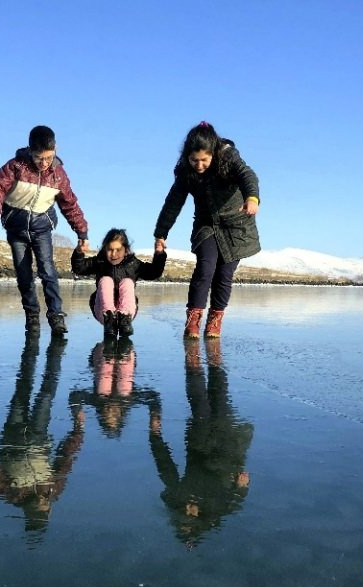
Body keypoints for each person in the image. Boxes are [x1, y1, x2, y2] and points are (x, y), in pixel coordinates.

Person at [153, 121, 261, 339]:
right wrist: (161, 233)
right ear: (187, 156)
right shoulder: (185, 171)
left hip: (236, 225)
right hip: (206, 224)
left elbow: (248, 176)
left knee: (224, 275)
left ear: (213, 153)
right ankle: (193, 320)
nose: (199, 165)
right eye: (194, 160)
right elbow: (173, 202)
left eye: (204, 160)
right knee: (205, 268)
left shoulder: (229, 157)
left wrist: (252, 198)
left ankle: (215, 321)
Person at [0, 125, 89, 336]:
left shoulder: (59, 175)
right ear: (30, 151)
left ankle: (56, 316)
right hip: (16, 228)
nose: (44, 163)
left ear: (55, 148)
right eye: (39, 158)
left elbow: (70, 204)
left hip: (42, 228)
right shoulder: (15, 167)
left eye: (49, 157)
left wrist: (82, 232)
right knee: (24, 274)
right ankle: (32, 315)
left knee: (48, 270)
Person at [0, 333, 85, 542]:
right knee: (45, 397)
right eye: (42, 511)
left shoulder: (14, 495)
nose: (40, 506)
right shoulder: (54, 489)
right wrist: (78, 431)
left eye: (35, 512)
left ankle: (31, 352)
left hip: (13, 437)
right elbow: (65, 460)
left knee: (21, 393)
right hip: (38, 439)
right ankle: (55, 357)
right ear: (49, 511)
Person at [149, 339, 254, 549]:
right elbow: (236, 499)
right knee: (220, 398)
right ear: (200, 519)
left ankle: (195, 362)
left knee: (199, 402)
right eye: (190, 515)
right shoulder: (219, 509)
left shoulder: (177, 496)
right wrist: (242, 487)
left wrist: (155, 435)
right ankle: (216, 361)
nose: (188, 508)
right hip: (228, 448)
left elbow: (165, 465)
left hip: (200, 441)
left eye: (183, 513)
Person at [71, 228, 166, 339]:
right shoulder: (100, 262)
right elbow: (79, 268)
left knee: (127, 282)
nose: (114, 254)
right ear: (105, 248)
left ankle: (125, 319)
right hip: (102, 311)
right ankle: (109, 319)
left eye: (118, 250)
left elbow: (154, 272)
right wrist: (79, 251)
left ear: (126, 250)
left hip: (128, 311)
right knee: (106, 280)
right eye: (110, 249)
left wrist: (159, 254)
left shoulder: (133, 264)